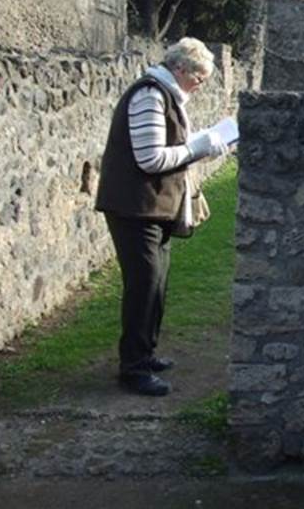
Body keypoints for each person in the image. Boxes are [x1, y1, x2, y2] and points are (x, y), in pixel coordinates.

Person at [95, 37, 228, 396]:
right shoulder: (150, 96)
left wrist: (199, 146)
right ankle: (133, 368)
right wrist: (198, 147)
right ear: (181, 69)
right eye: (199, 77)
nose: (200, 85)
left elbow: (166, 151)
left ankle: (146, 353)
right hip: (134, 207)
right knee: (143, 286)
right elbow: (150, 159)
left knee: (156, 283)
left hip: (153, 208)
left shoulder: (166, 95)